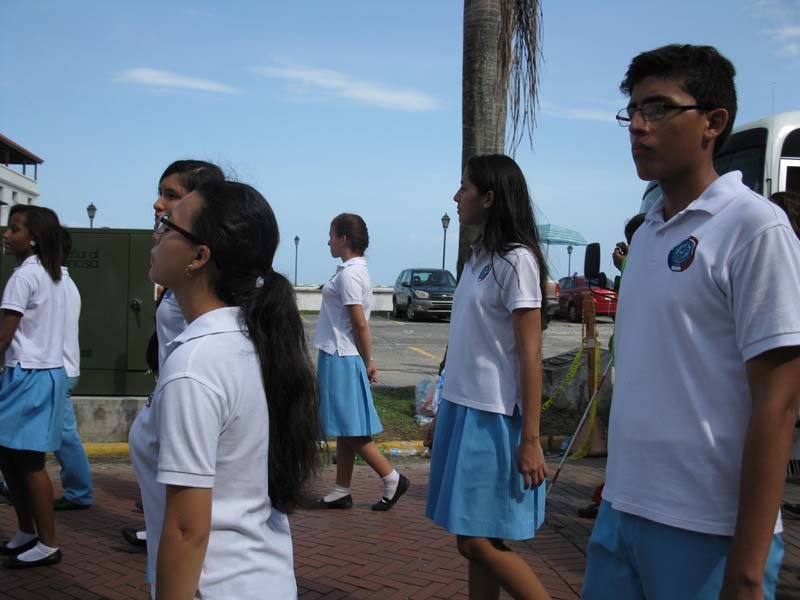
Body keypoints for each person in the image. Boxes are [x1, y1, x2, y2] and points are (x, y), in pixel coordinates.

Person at [582, 44, 800, 599]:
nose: (638, 125)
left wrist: (746, 572)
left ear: (713, 122)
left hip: (708, 530)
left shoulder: (755, 228)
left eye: (657, 108)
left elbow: (779, 404)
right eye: (632, 110)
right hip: (622, 512)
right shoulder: (649, 235)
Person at [129, 180, 318, 598]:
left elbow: (186, 530)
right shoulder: (248, 339)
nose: (157, 235)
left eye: (168, 225)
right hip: (263, 579)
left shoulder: (194, 365)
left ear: (199, 256)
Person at [426, 154, 550, 600]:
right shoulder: (478, 258)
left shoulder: (517, 262)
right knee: (479, 541)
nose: (456, 196)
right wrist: (442, 408)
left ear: (490, 198)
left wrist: (531, 439)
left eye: (465, 188)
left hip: (494, 416)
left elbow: (530, 354)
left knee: (476, 541)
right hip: (463, 409)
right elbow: (465, 343)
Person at [122, 159, 225, 549]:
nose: (158, 204)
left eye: (171, 196)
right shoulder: (182, 282)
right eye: (159, 193)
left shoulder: (204, 295)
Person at [315, 214, 410, 511]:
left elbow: (360, 324)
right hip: (339, 354)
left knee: (351, 429)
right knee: (346, 427)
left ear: (344, 238)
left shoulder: (350, 275)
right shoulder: (351, 271)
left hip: (341, 356)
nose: (328, 241)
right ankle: (341, 489)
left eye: (331, 235)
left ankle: (392, 478)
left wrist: (368, 361)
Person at [0, 205, 67, 568]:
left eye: (15, 229)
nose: (6, 234)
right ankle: (28, 532)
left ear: (34, 238)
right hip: (44, 373)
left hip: (27, 375)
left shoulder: (23, 277)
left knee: (27, 462)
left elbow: (4, 336)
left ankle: (47, 543)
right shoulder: (53, 275)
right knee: (11, 457)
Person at [577, 212, 646, 521]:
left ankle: (616, 496)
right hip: (628, 361)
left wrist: (626, 265)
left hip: (643, 370)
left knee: (630, 440)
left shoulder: (653, 265)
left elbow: (640, 294)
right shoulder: (641, 264)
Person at [51, 227, 93, 511]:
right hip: (61, 368)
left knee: (64, 436)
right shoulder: (64, 283)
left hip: (56, 369)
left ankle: (79, 492)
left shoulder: (53, 284)